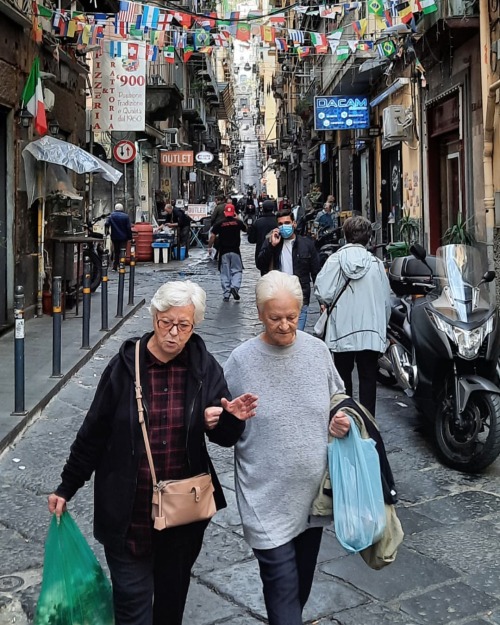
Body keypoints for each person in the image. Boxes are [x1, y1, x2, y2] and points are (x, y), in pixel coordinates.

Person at [47, 280, 258, 625]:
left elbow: (225, 437)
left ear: (195, 325)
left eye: (184, 325)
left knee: (170, 607)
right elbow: (94, 433)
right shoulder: (124, 368)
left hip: (182, 514)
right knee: (131, 608)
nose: (173, 333)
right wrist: (66, 487)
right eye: (166, 323)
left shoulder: (204, 369)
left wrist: (224, 421)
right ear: (154, 317)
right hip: (127, 511)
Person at [223, 271, 349, 625]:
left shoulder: (317, 352)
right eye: (275, 318)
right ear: (261, 314)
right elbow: (222, 425)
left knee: (299, 589)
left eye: (291, 317)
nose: (284, 325)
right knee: (282, 590)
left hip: (313, 496)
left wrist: (339, 420)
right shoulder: (241, 360)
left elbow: (338, 400)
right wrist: (227, 417)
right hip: (264, 497)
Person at [314, 215, 391, 416]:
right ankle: (367, 423)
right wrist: (383, 329)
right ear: (368, 238)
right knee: (368, 378)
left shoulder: (335, 260)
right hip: (371, 330)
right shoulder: (376, 264)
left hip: (342, 330)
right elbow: (386, 301)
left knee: (343, 377)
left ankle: (345, 419)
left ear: (346, 235)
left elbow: (322, 292)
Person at [257, 209, 320, 331]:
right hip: (277, 296)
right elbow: (260, 264)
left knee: (296, 334)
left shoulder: (306, 244)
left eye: (287, 223)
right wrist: (271, 246)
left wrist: (321, 300)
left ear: (294, 224)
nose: (283, 226)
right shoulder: (271, 242)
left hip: (299, 297)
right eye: (280, 224)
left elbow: (316, 272)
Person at [208, 204, 247, 302]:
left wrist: (210, 247)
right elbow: (246, 229)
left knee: (225, 272)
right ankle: (235, 287)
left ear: (225, 213)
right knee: (237, 270)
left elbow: (212, 236)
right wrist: (238, 218)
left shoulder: (219, 223)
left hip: (224, 251)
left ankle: (226, 293)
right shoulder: (238, 222)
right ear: (233, 212)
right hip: (235, 251)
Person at [247, 202, 278, 274]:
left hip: (262, 253)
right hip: (276, 253)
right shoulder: (277, 221)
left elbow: (251, 239)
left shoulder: (257, 222)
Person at [105, 203, 133, 271]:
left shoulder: (111, 216)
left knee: (116, 252)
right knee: (122, 251)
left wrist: (107, 232)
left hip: (114, 237)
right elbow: (128, 227)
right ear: (122, 208)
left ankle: (114, 266)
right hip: (124, 237)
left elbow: (106, 224)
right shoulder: (125, 216)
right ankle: (122, 265)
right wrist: (130, 237)